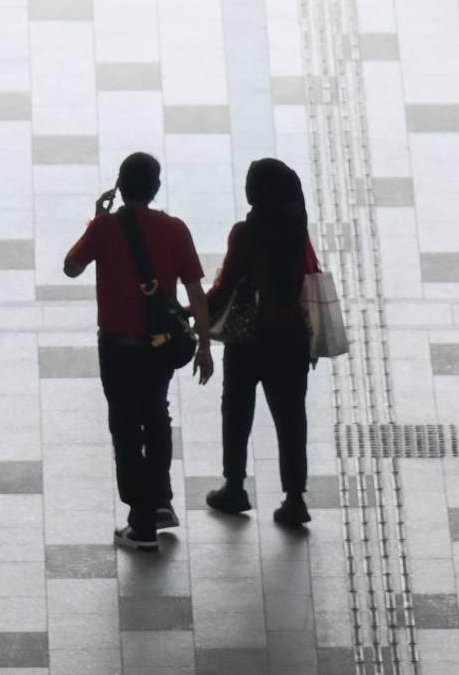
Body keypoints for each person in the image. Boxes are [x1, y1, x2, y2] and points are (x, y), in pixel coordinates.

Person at [63, 151, 213, 552]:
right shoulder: (176, 229)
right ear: (156, 187)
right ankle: (160, 502)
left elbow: (71, 267)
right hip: (160, 345)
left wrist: (95, 221)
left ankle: (141, 523)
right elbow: (196, 292)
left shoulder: (105, 228)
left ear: (120, 185)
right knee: (156, 415)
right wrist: (205, 346)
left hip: (117, 347)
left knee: (126, 426)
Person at [205, 158, 321, 529]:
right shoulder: (297, 232)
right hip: (292, 339)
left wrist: (195, 311)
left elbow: (225, 285)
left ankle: (234, 487)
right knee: (291, 420)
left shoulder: (246, 232)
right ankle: (295, 498)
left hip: (249, 339)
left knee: (237, 412)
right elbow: (311, 278)